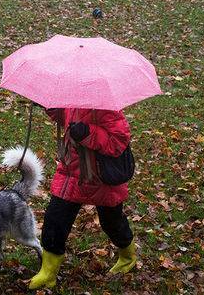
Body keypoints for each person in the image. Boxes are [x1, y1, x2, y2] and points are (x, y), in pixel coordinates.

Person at [29, 107, 137, 290]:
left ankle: (127, 257)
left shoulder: (109, 109)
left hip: (102, 177)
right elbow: (65, 118)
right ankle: (48, 271)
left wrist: (89, 133)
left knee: (112, 222)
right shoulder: (74, 99)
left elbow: (118, 141)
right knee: (55, 219)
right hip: (72, 173)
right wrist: (51, 107)